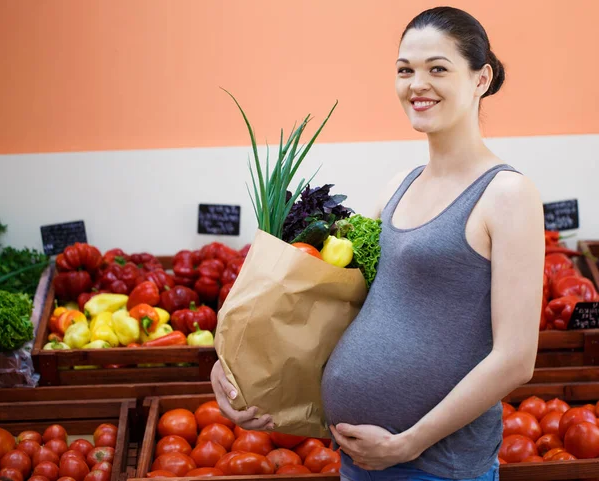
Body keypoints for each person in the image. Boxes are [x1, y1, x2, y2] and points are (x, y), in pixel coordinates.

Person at [210, 6, 545, 481]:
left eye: (438, 69)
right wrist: (235, 366)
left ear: (480, 78)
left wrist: (409, 443)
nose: (417, 84)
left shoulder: (507, 194)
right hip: (364, 459)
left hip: (436, 467)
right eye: (405, 70)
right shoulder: (398, 187)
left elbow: (515, 361)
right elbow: (329, 298)